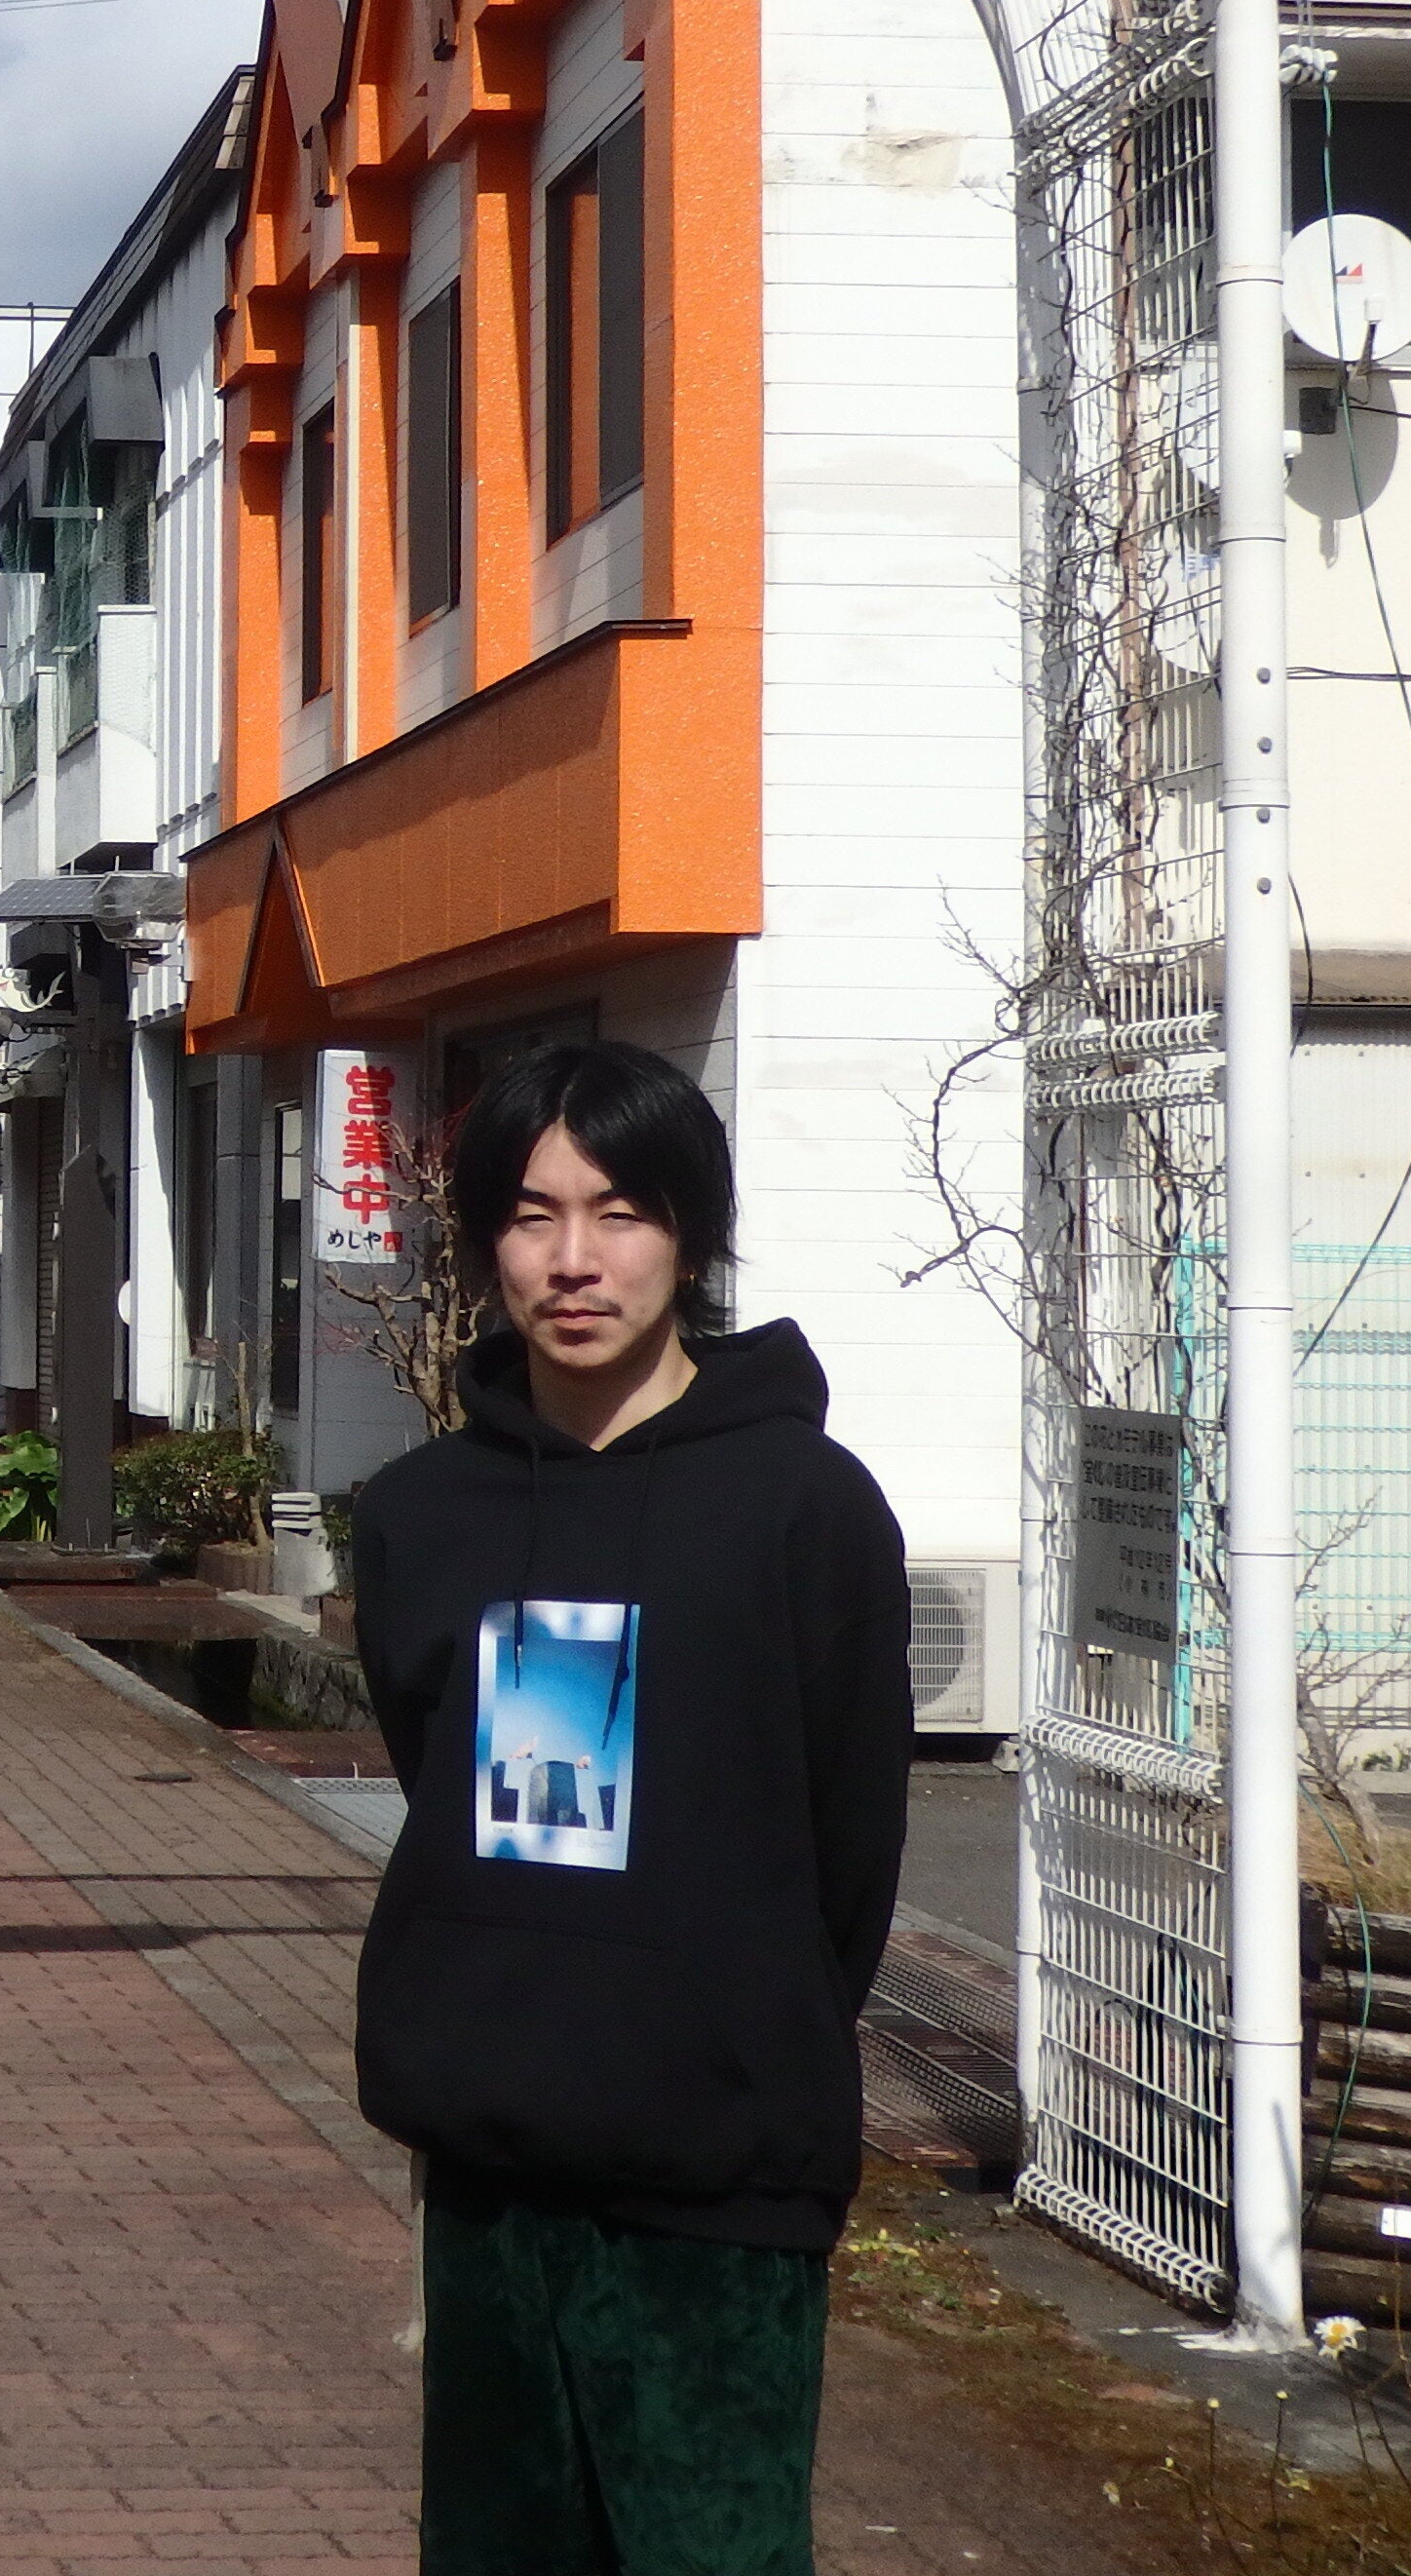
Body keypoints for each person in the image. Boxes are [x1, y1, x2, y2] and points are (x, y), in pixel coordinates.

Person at [346, 1039, 912, 2576]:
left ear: (691, 1236)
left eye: (621, 1212)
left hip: (720, 2180)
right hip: (489, 2169)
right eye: (533, 1216)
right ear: (485, 1245)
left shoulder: (805, 1508)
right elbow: (438, 1787)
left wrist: (741, 2030)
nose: (574, 1260)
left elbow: (850, 1852)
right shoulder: (420, 1517)